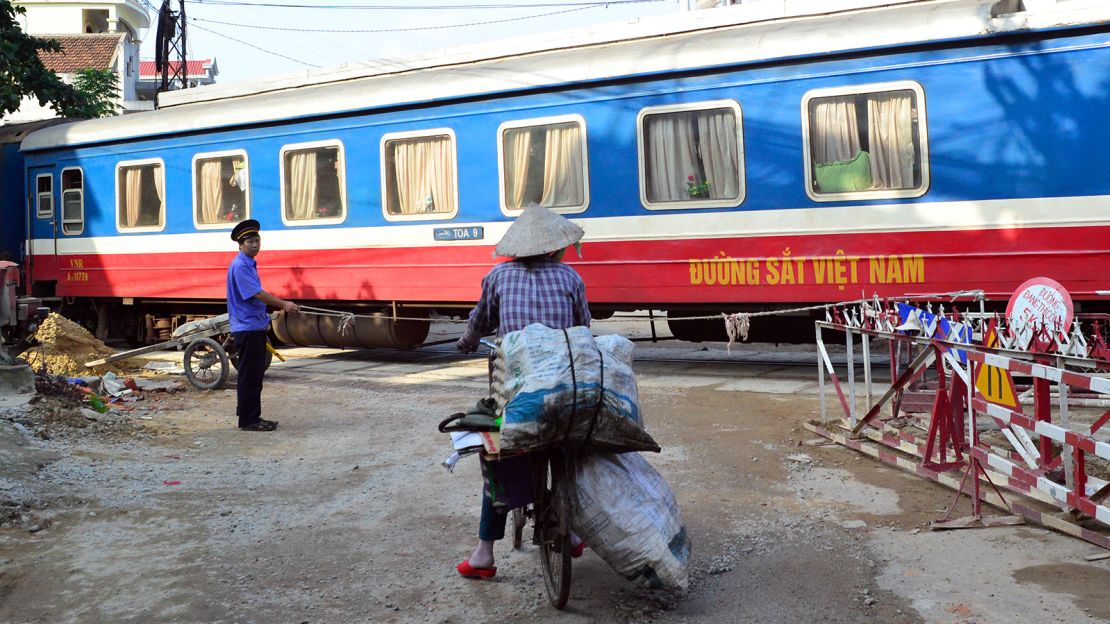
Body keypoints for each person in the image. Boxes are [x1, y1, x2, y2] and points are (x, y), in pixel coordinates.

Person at [455, 205, 591, 579]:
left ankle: (484, 554)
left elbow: (479, 322)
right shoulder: (570, 278)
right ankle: (573, 528)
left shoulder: (497, 276)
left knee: (496, 454)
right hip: (565, 387)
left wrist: (467, 343)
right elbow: (583, 331)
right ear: (553, 247)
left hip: (516, 392)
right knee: (570, 444)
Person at [227, 219, 299, 432]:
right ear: (240, 244)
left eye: (257, 240)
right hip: (247, 328)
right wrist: (284, 304)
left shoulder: (247, 264)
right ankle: (249, 421)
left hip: (252, 326)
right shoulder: (240, 266)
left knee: (254, 375)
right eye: (249, 241)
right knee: (250, 375)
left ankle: (251, 415)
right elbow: (256, 293)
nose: (255, 244)